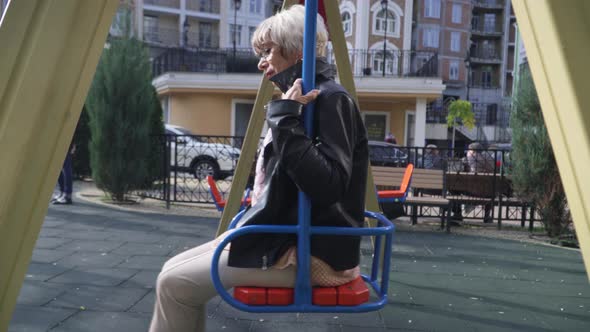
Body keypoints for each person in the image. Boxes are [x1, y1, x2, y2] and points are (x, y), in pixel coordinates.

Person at [149, 5, 369, 332]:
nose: (260, 61)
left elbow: (329, 185)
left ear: (297, 51)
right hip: (285, 237)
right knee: (171, 271)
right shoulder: (305, 99)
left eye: (267, 51)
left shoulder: (329, 99)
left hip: (312, 254)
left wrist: (284, 118)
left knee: (173, 284)